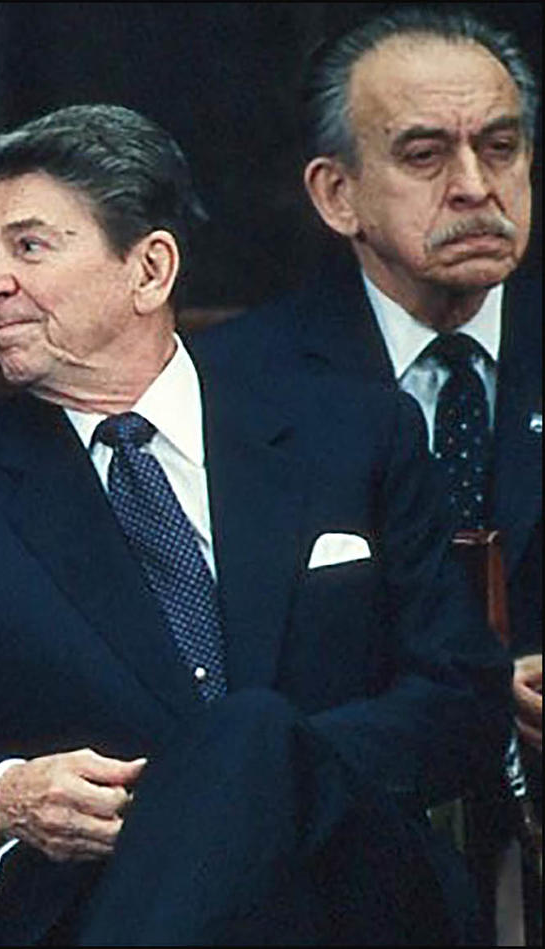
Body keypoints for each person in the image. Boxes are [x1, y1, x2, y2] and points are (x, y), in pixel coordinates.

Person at [0, 103, 511, 944]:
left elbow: (463, 703)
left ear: (149, 269)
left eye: (30, 246)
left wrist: (258, 776)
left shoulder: (352, 436)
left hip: (350, 894)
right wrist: (5, 793)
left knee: (251, 733)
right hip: (90, 904)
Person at [194, 9, 540, 939]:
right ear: (336, 194)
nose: (476, 187)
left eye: (501, 147)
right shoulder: (225, 388)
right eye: (426, 156)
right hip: (348, 854)